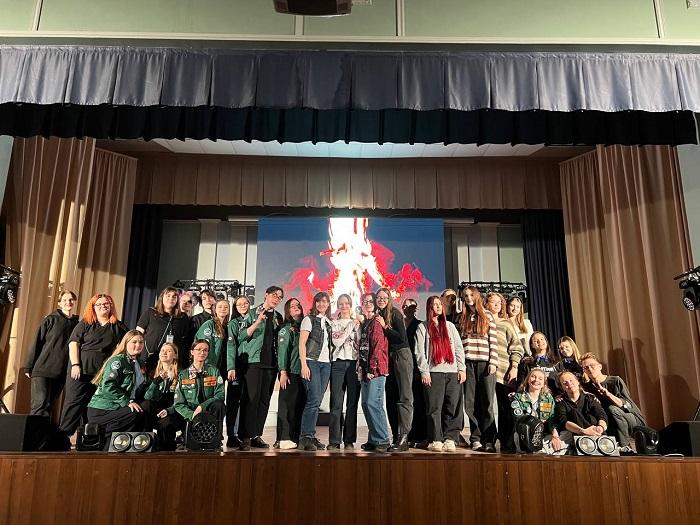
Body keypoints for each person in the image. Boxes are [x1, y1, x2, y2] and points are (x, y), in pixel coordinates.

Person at [59, 294, 128, 437]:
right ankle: (63, 437)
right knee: (73, 403)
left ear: (111, 306)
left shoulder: (117, 326)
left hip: (101, 374)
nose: (103, 306)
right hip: (80, 371)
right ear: (93, 307)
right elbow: (73, 344)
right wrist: (75, 364)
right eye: (99, 304)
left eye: (106, 304)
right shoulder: (85, 323)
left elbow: (128, 341)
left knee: (94, 406)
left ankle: (89, 438)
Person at [414, 296, 466, 452]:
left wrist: (461, 368)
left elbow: (458, 348)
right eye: (434, 304)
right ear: (429, 308)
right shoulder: (423, 327)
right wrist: (424, 371)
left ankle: (450, 438)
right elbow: (419, 352)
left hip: (452, 372)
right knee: (434, 407)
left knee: (453, 406)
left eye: (439, 304)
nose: (437, 307)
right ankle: (435, 439)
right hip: (433, 372)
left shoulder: (450, 326)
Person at [236, 285, 284, 451]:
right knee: (251, 399)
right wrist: (257, 322)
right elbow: (241, 336)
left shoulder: (278, 317)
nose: (276, 299)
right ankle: (245, 436)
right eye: (274, 295)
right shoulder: (251, 313)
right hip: (253, 363)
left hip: (271, 365)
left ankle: (256, 435)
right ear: (266, 295)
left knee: (264, 401)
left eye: (279, 297)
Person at [24, 290, 79, 418]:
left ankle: (43, 431)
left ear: (75, 302)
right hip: (43, 370)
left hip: (60, 373)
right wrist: (29, 366)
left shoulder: (77, 324)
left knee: (49, 406)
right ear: (59, 303)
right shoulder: (50, 320)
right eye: (64, 300)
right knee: (40, 405)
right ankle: (34, 431)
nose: (68, 302)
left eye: (71, 299)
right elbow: (37, 342)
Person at [459, 286, 499, 452]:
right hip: (468, 363)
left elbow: (493, 340)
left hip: (485, 363)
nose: (468, 298)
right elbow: (459, 344)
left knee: (487, 402)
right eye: (465, 296)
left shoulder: (487, 315)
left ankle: (489, 439)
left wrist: (493, 362)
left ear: (476, 296)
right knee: (470, 403)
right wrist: (460, 366)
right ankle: (476, 438)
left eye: (471, 295)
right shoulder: (461, 317)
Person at [580, 352, 646, 451]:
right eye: (585, 368)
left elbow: (626, 405)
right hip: (609, 421)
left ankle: (625, 447)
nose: (589, 369)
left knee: (612, 409)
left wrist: (608, 394)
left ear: (600, 366)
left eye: (592, 365)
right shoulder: (587, 387)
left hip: (630, 417)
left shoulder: (615, 381)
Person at [485, 292, 525, 452]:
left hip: (503, 372)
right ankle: (487, 440)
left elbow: (517, 347)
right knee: (486, 407)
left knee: (505, 408)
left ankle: (506, 443)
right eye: (493, 302)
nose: (497, 305)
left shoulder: (506, 323)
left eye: (500, 302)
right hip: (485, 372)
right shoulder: (482, 322)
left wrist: (514, 367)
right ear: (486, 304)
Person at [87, 330, 147, 433]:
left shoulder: (139, 363)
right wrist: (127, 402)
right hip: (103, 408)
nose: (138, 345)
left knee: (146, 408)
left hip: (119, 407)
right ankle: (108, 437)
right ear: (126, 343)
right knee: (134, 413)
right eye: (134, 342)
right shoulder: (117, 361)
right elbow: (108, 386)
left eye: (141, 342)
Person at [376, 287, 413, 452]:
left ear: (389, 299)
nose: (381, 300)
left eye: (384, 297)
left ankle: (404, 437)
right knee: (391, 397)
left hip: (401, 355)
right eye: (379, 297)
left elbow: (401, 337)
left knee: (404, 396)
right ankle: (395, 436)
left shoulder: (395, 314)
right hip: (388, 358)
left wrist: (385, 327)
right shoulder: (379, 315)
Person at [298, 291, 333, 451]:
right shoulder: (309, 319)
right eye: (319, 301)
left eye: (325, 301)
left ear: (328, 304)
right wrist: (304, 365)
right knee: (313, 400)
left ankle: (310, 435)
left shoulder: (329, 322)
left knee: (317, 400)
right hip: (312, 362)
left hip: (326, 364)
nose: (322, 304)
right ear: (315, 303)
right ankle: (305, 437)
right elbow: (302, 343)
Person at [358, 292, 391, 453]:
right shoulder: (366, 323)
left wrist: (372, 367)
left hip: (376, 369)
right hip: (366, 369)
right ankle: (374, 438)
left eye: (371, 301)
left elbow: (378, 346)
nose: (368, 303)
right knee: (366, 404)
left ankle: (382, 439)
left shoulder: (377, 321)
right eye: (365, 301)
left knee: (374, 403)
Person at [173, 340, 226, 438]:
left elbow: (220, 395)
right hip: (190, 413)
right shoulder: (183, 375)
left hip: (209, 410)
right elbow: (178, 404)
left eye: (205, 350)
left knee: (219, 405)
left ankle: (217, 437)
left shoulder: (214, 371)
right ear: (192, 352)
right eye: (199, 349)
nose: (202, 352)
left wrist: (202, 406)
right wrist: (192, 415)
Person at [328, 294, 361, 450]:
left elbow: (360, 343)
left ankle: (349, 440)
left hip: (354, 365)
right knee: (336, 403)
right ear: (338, 306)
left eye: (347, 303)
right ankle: (334, 440)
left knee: (352, 404)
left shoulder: (358, 323)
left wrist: (355, 326)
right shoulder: (334, 323)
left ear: (351, 304)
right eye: (341, 304)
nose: (344, 306)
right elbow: (337, 341)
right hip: (338, 364)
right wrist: (349, 327)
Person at [136, 287, 193, 373]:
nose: (171, 298)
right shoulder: (150, 312)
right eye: (168, 295)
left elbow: (185, 341)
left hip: (171, 363)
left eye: (174, 296)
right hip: (148, 358)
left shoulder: (183, 317)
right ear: (162, 297)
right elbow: (137, 335)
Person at [509, 368, 565, 454]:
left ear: (543, 384)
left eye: (540, 378)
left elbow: (551, 418)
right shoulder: (518, 397)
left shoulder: (548, 398)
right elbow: (518, 419)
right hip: (524, 434)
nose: (536, 380)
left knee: (564, 437)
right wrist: (537, 423)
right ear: (528, 380)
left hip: (543, 434)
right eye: (533, 377)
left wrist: (555, 434)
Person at [275, 298, 305, 449]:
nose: (296, 307)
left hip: (303, 373)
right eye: (292, 306)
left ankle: (295, 437)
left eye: (298, 305)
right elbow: (283, 352)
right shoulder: (286, 329)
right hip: (290, 372)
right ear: (287, 310)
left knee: (299, 406)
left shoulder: (305, 326)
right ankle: (283, 438)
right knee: (286, 405)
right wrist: (283, 371)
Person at [141, 342, 183, 450]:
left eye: (168, 351)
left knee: (166, 424)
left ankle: (167, 450)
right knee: (146, 405)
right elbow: (148, 397)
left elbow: (184, 399)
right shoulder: (152, 373)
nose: (164, 353)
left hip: (172, 411)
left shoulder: (181, 374)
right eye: (162, 350)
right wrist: (157, 381)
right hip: (156, 411)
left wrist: (169, 410)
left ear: (175, 355)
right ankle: (144, 441)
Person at [553, 371, 608, 448]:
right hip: (577, 437)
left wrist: (599, 428)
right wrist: (583, 431)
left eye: (571, 380)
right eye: (565, 383)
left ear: (577, 381)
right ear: (562, 387)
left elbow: (601, 415)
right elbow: (563, 421)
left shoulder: (590, 398)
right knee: (574, 412)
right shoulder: (561, 402)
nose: (569, 384)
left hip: (598, 435)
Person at [224, 295, 250, 448]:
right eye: (239, 304)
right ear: (235, 307)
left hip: (252, 367)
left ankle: (246, 434)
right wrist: (231, 367)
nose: (243, 306)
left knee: (248, 401)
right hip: (237, 367)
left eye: (245, 303)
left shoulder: (254, 319)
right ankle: (231, 435)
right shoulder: (233, 323)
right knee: (233, 402)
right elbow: (231, 345)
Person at [403, 297, 427, 448]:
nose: (408, 308)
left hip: (416, 370)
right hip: (402, 369)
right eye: (405, 306)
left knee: (418, 402)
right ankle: (407, 435)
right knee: (405, 402)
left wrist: (421, 369)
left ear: (416, 309)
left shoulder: (420, 325)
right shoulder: (398, 323)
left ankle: (420, 435)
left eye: (411, 306)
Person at [195, 299, 230, 374]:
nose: (223, 309)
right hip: (208, 366)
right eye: (220, 307)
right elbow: (203, 347)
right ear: (215, 310)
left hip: (221, 366)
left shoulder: (227, 326)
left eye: (226, 307)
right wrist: (206, 366)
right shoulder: (209, 325)